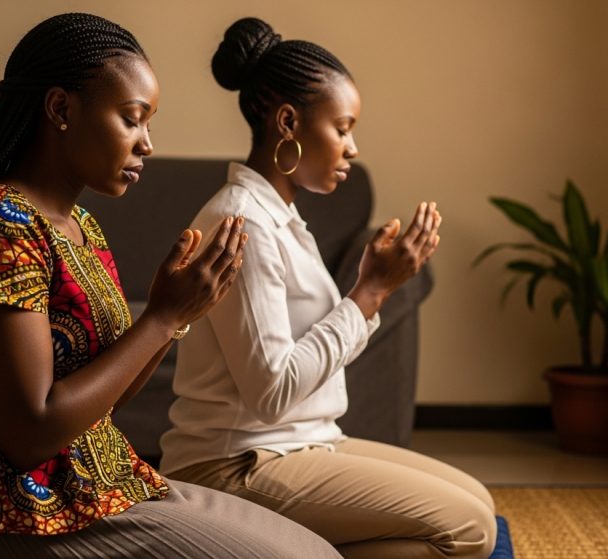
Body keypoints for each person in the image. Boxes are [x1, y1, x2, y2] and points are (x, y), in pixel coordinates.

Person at [0, 13, 342, 558]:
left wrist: (179, 313)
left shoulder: (82, 226)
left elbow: (104, 400)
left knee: (316, 551)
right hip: (12, 509)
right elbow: (28, 434)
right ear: (60, 108)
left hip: (101, 481)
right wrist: (163, 319)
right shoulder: (0, 225)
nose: (147, 143)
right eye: (133, 119)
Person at [159, 17, 498, 559]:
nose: (352, 147)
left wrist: (370, 290)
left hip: (301, 443)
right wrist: (369, 294)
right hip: (236, 463)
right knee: (470, 530)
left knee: (478, 502)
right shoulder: (242, 223)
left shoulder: (282, 218)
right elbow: (271, 394)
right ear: (288, 122)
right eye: (342, 128)